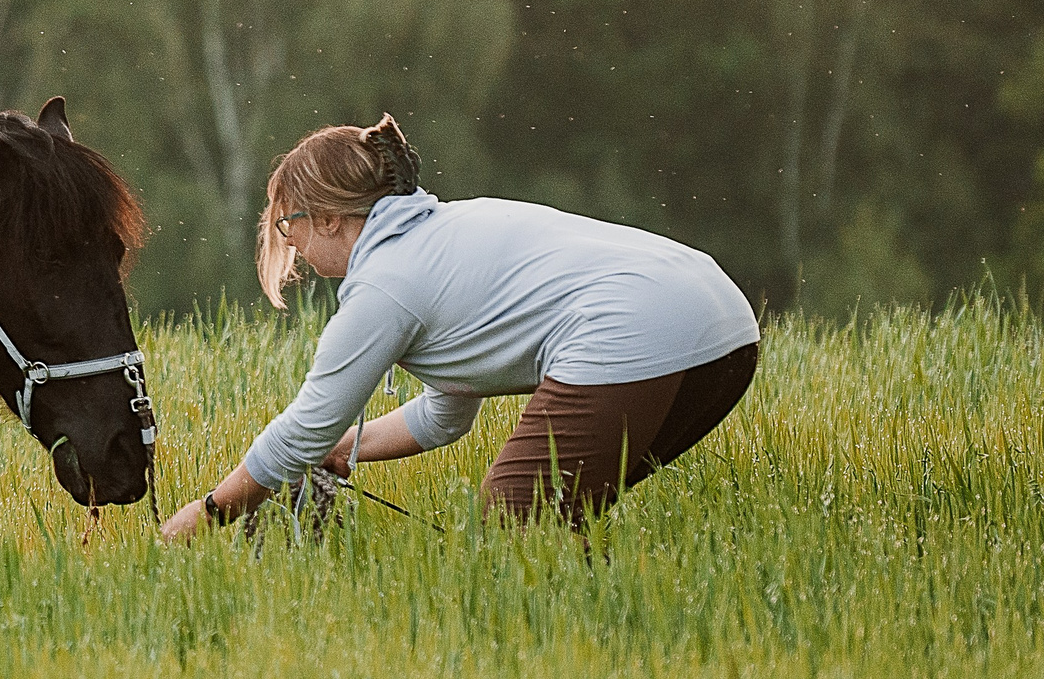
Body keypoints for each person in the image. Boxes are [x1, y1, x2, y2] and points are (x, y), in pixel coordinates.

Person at [158, 115, 759, 540]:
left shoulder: (386, 282)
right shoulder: (438, 240)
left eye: (290, 227)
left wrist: (207, 512)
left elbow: (302, 432)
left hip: (641, 330)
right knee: (551, 523)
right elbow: (445, 415)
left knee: (510, 528)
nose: (294, 250)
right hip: (723, 330)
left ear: (333, 219)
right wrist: (347, 446)